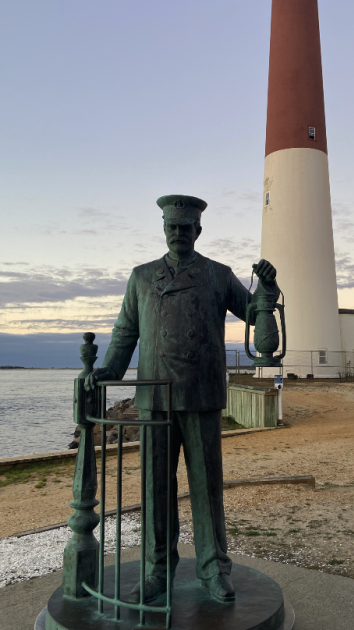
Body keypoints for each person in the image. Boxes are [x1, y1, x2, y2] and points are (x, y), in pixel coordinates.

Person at [85, 195, 278, 604]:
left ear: (198, 230)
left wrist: (268, 289)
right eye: (172, 227)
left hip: (202, 393)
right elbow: (125, 333)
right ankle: (157, 570)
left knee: (207, 488)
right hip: (154, 396)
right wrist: (109, 371)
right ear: (163, 229)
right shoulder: (141, 277)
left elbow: (256, 314)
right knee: (156, 488)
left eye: (186, 228)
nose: (179, 234)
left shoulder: (218, 275)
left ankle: (213, 569)